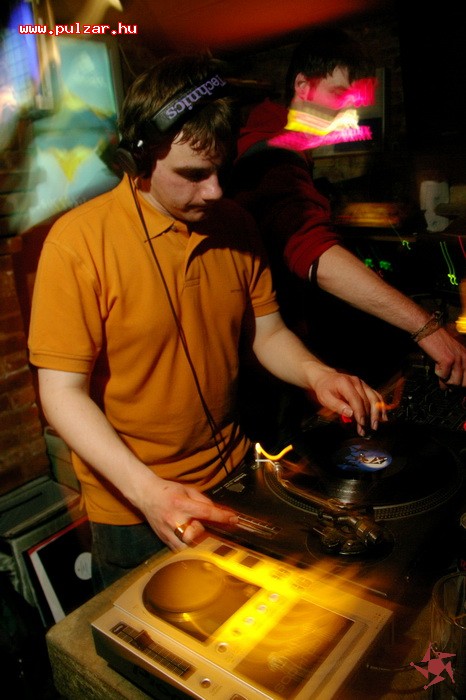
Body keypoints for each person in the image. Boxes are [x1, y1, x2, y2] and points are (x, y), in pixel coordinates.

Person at [27, 54, 386, 592]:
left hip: (236, 477)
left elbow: (268, 332)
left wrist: (318, 374)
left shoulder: (235, 224)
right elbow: (62, 393)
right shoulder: (78, 244)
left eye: (222, 169)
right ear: (139, 158)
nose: (215, 191)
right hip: (132, 503)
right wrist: (148, 492)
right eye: (193, 175)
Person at [228, 27, 466, 406]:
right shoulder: (272, 154)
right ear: (303, 86)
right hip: (262, 364)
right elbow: (313, 252)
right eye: (339, 94)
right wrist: (427, 328)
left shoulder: (276, 142)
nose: (347, 112)